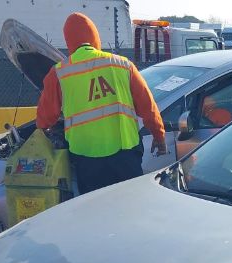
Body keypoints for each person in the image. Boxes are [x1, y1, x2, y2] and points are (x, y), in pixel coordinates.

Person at [36, 12, 167, 195]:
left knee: (94, 212)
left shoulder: (58, 73)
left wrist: (43, 131)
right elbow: (148, 107)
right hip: (126, 156)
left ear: (68, 41)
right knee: (131, 208)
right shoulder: (123, 65)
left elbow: (45, 118)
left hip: (87, 160)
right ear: (95, 36)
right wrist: (159, 137)